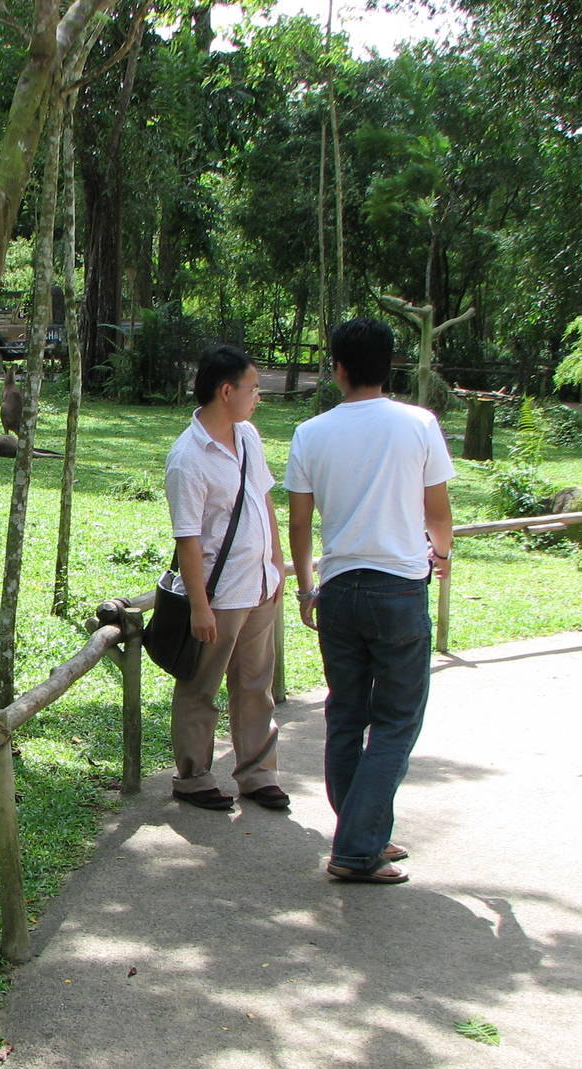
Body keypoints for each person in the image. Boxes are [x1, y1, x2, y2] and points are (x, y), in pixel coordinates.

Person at [286, 317, 455, 884]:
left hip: (339, 589)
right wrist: (443, 554)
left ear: (336, 368)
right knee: (395, 722)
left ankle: (362, 830)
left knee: (345, 714)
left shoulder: (311, 434)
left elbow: (301, 525)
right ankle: (357, 848)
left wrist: (308, 586)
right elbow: (437, 510)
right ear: (390, 366)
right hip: (399, 590)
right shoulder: (419, 424)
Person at [164, 344, 288, 812]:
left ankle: (257, 774)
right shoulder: (188, 457)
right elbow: (188, 539)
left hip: (259, 584)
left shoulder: (249, 436)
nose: (259, 397)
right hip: (220, 593)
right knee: (202, 687)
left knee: (257, 684)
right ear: (226, 390)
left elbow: (264, 499)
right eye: (254, 388)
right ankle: (193, 777)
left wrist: (276, 564)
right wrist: (199, 605)